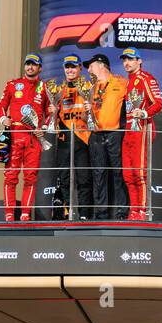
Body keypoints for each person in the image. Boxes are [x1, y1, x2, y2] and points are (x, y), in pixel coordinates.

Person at [0, 53, 52, 223]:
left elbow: (50, 112)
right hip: (14, 135)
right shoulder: (13, 84)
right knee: (10, 176)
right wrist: (3, 118)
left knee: (31, 177)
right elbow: (1, 106)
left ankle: (25, 213)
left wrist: (44, 127)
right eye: (28, 64)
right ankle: (9, 214)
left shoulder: (44, 88)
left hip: (34, 139)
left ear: (39, 68)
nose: (30, 67)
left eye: (34, 64)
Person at [119, 48, 162, 222]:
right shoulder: (126, 82)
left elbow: (158, 104)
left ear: (139, 61)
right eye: (124, 60)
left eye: (130, 59)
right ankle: (133, 210)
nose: (126, 63)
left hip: (142, 129)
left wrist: (144, 113)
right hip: (129, 130)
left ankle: (142, 211)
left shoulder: (147, 78)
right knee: (128, 174)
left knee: (139, 172)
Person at [84, 53, 129, 221]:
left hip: (116, 133)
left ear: (102, 65)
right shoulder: (90, 87)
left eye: (91, 65)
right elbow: (83, 117)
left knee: (119, 173)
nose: (89, 69)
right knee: (98, 174)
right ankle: (100, 214)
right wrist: (86, 111)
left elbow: (135, 101)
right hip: (96, 135)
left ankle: (122, 213)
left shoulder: (122, 82)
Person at [49, 55, 93, 220]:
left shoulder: (88, 86)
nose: (70, 70)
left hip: (84, 138)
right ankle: (68, 212)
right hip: (64, 138)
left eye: (73, 67)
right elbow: (52, 117)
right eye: (67, 67)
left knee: (84, 179)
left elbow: (97, 110)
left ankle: (84, 215)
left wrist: (89, 110)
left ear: (80, 68)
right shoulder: (58, 90)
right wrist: (51, 111)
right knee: (65, 179)